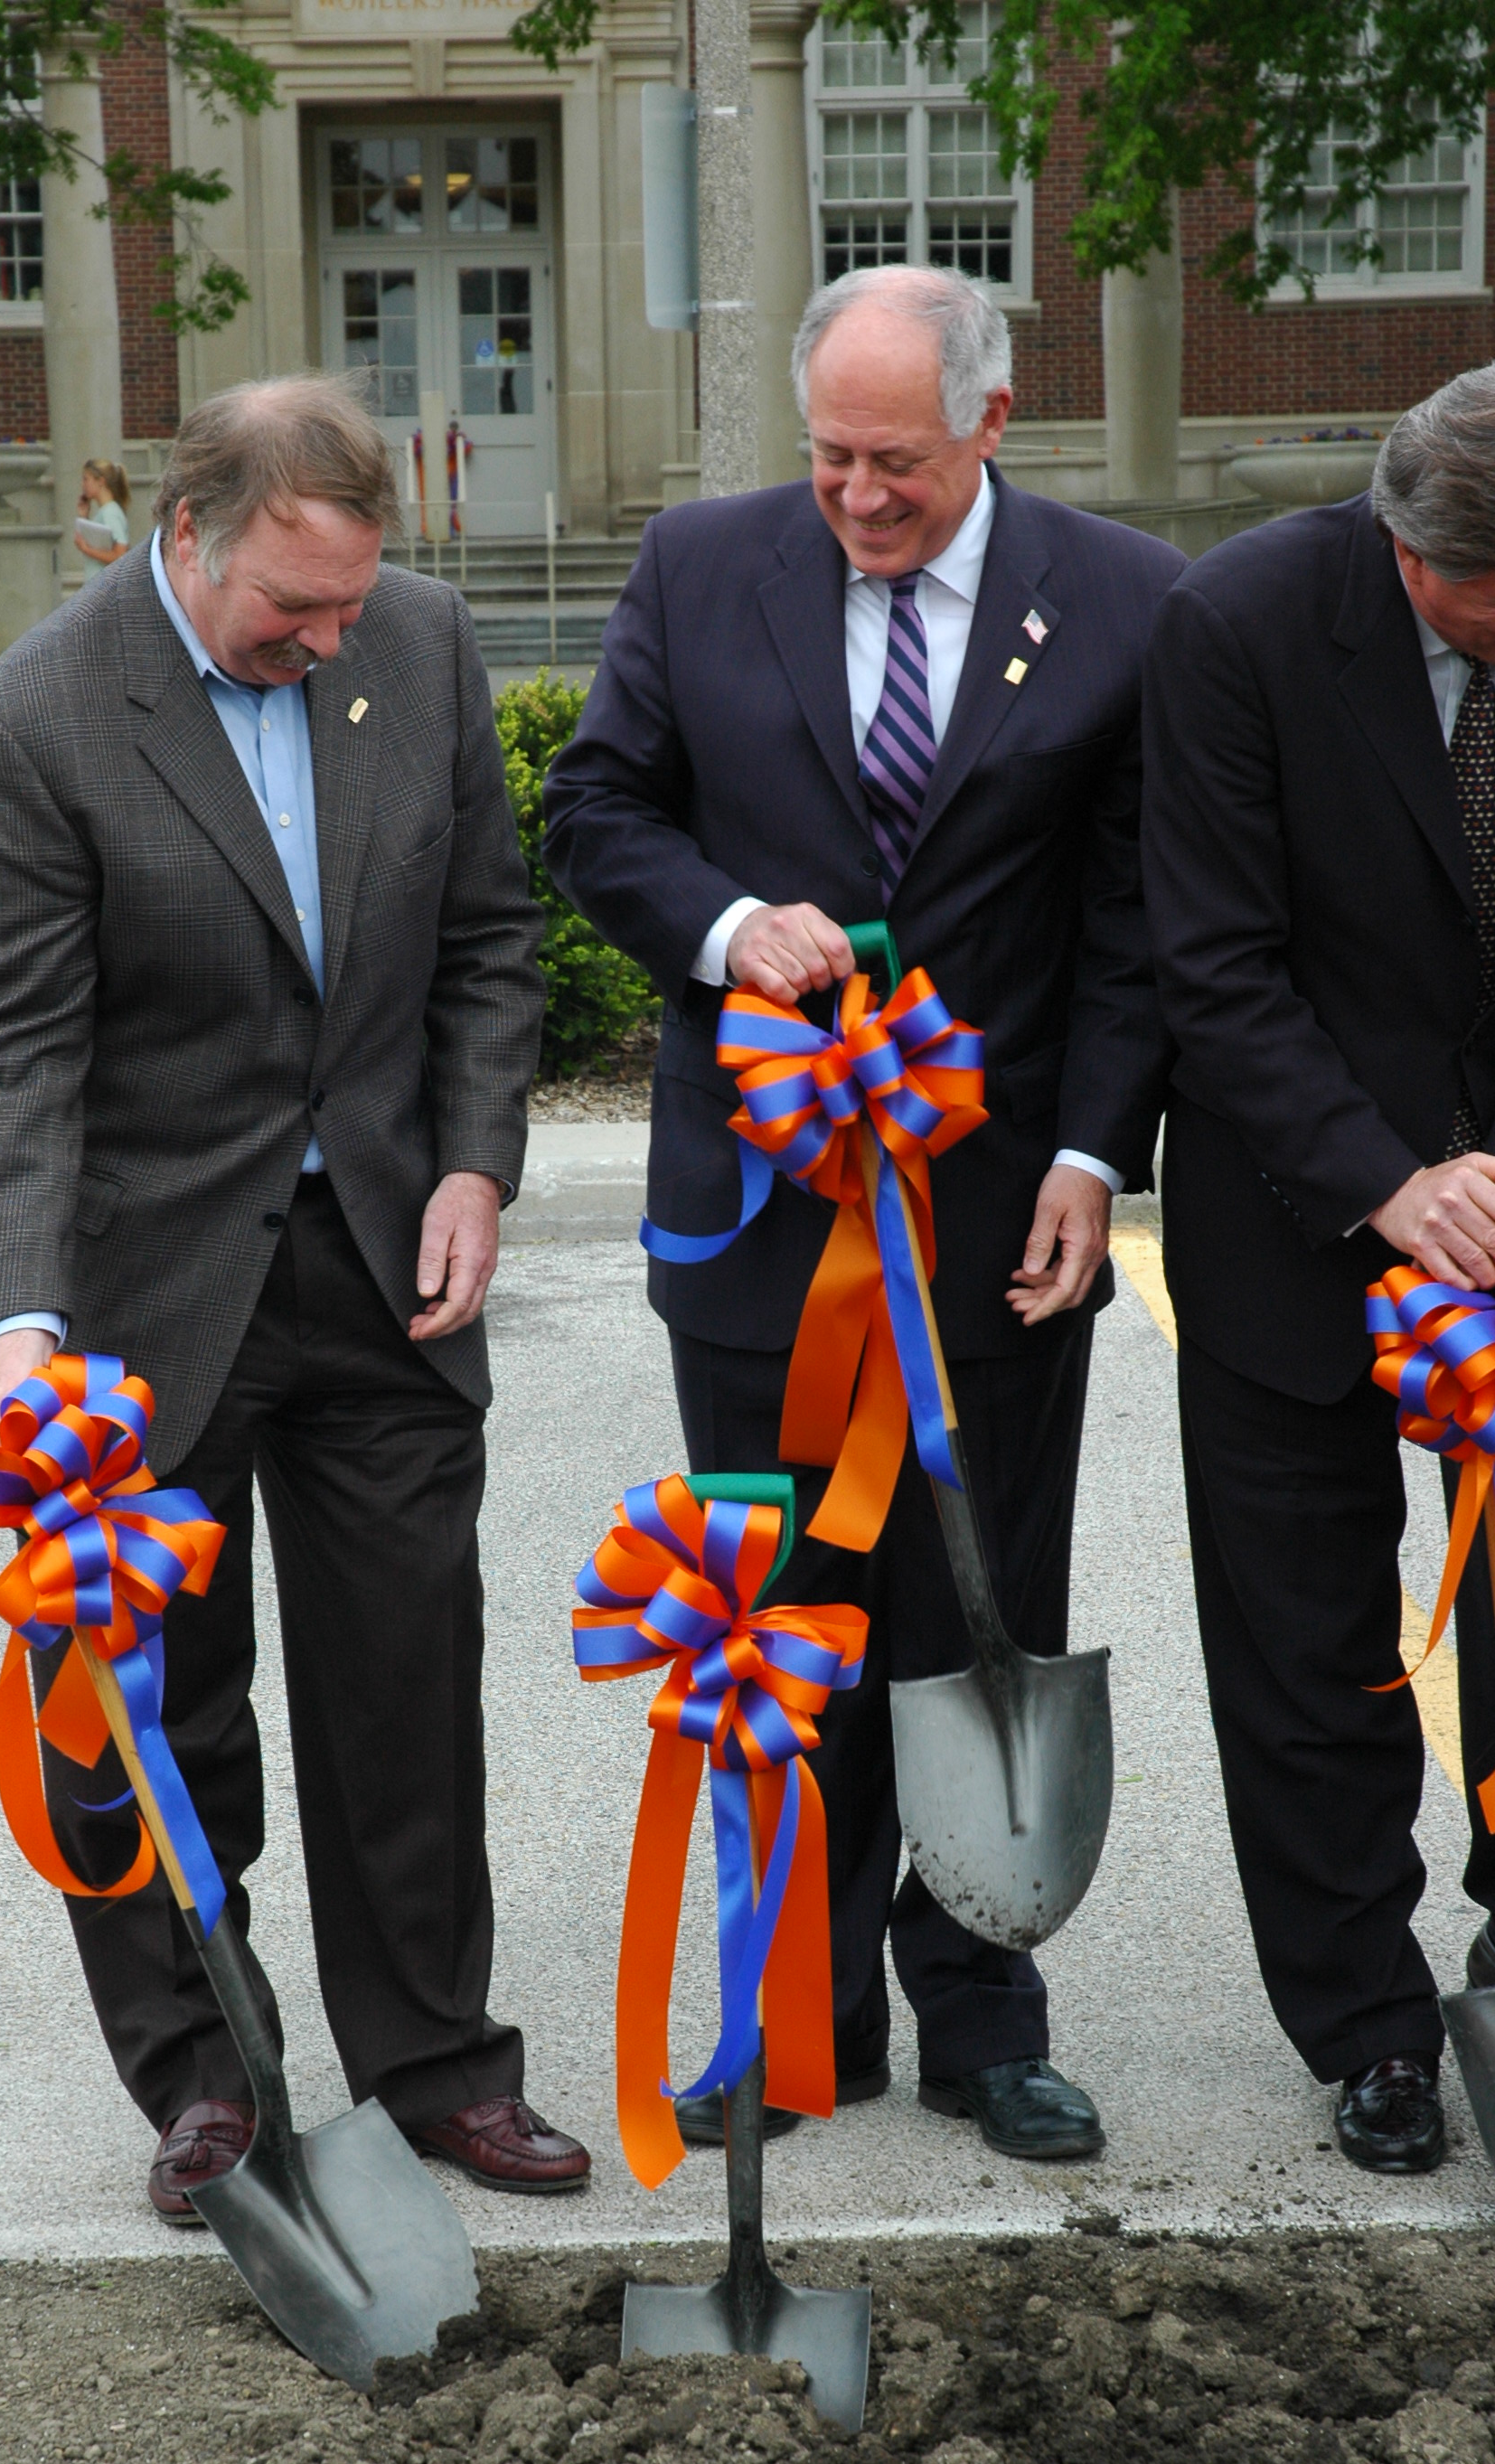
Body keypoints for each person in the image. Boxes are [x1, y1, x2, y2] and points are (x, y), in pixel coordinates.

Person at [543, 266, 1181, 2163]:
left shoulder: (1126, 599)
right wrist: (734, 926)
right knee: (777, 1616)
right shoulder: (698, 565)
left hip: (1005, 1226)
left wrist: (1093, 1160)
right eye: (830, 454)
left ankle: (983, 2014)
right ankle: (791, 2018)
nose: (859, 494)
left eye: (896, 460)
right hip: (763, 1221)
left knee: (975, 1609)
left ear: (991, 422)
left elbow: (1136, 916)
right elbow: (595, 813)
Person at [0, 373, 590, 2213]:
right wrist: (23, 1329)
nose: (328, 641)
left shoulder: (422, 642)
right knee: (161, 1707)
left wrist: (473, 1163)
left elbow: (488, 939)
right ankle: (204, 2076)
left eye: (351, 602)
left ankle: (437, 2065)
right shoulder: (41, 715)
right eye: (292, 609)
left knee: (407, 1688)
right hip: (148, 1294)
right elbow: (15, 1053)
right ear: (189, 534)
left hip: (386, 1263)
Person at [1143, 365, 1495, 2175]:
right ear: (1404, 547)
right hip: (1294, 1211)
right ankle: (1365, 2022)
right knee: (1307, 1647)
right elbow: (1212, 960)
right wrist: (1389, 1181)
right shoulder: (1240, 624)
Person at [73, 458, 130, 575]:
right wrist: (84, 517)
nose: (82, 484)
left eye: (86, 479)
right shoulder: (106, 511)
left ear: (100, 481)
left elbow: (120, 555)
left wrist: (86, 549)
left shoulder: (110, 512)